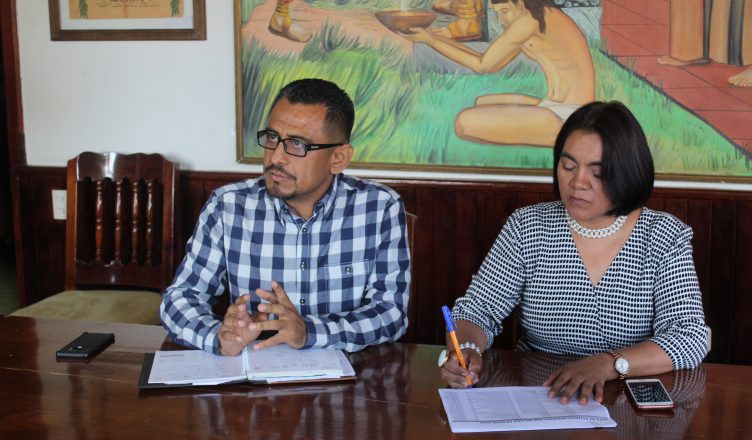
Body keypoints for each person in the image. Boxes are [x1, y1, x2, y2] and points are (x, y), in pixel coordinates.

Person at [438, 101, 709, 404]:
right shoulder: (529, 226)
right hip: (540, 394)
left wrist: (607, 364)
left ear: (629, 172)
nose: (577, 182)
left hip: (624, 402)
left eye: (598, 172)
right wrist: (466, 350)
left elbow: (689, 336)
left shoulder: (664, 236)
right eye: (568, 166)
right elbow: (477, 311)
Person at [160, 78, 411, 355]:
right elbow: (179, 298)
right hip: (254, 373)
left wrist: (308, 332)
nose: (276, 157)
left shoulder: (378, 208)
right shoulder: (228, 206)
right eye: (272, 138)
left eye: (297, 144)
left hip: (349, 375)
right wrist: (219, 337)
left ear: (338, 158)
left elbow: (391, 314)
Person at [401, 0, 594, 147]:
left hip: (570, 117)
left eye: (505, 11)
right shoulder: (540, 16)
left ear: (520, 3)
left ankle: (555, 134)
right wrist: (430, 37)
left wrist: (430, 40)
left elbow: (482, 66)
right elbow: (488, 62)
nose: (501, 21)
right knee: (481, 102)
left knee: (463, 122)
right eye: (497, 13)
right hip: (554, 105)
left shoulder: (529, 21)